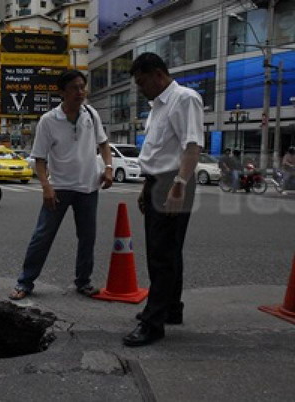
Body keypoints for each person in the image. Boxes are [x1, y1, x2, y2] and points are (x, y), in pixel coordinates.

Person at [9, 69, 114, 301]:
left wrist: (108, 168)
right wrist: (46, 186)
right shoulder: (48, 120)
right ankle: (25, 282)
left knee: (88, 237)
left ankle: (83, 281)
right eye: (75, 88)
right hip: (60, 187)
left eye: (82, 87)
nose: (80, 92)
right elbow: (40, 158)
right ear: (62, 92)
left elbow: (104, 144)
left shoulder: (91, 114)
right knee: (42, 235)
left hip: (88, 187)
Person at [123, 53, 203, 347]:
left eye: (142, 82)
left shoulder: (184, 98)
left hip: (174, 182)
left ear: (158, 74)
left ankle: (153, 324)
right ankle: (170, 309)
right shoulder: (157, 105)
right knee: (168, 251)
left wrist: (179, 185)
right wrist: (147, 186)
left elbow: (192, 146)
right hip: (159, 182)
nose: (140, 88)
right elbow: (157, 151)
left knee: (161, 254)